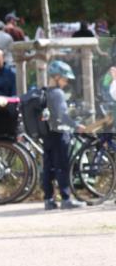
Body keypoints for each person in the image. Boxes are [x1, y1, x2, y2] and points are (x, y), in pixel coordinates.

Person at [41, 61, 87, 210]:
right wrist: (76, 125)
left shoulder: (44, 91)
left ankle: (49, 200)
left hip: (46, 134)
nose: (66, 82)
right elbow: (63, 115)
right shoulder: (58, 93)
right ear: (56, 76)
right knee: (62, 166)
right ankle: (66, 199)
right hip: (59, 133)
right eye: (65, 78)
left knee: (48, 167)